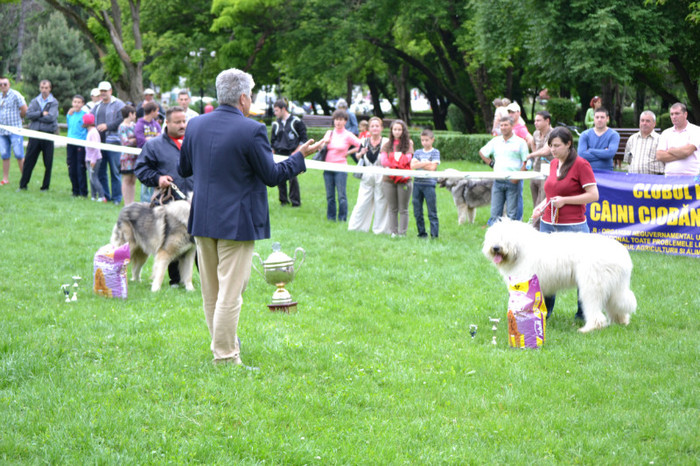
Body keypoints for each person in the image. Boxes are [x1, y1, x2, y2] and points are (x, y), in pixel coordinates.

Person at [178, 68, 321, 365]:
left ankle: (223, 345)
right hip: (236, 222)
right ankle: (226, 356)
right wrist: (300, 156)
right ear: (243, 98)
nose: (252, 98)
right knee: (230, 293)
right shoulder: (251, 129)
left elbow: (184, 169)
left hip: (203, 219)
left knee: (213, 292)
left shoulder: (195, 125)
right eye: (252, 93)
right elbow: (272, 176)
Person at [532, 126, 598, 321]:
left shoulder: (581, 164)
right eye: (550, 145)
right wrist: (542, 206)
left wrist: (566, 201)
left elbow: (593, 195)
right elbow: (551, 194)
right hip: (548, 225)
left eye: (557, 146)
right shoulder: (553, 164)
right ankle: (545, 311)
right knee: (546, 270)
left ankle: (583, 312)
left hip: (573, 226)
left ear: (569, 144)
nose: (553, 149)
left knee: (581, 271)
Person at [135, 106, 192, 287]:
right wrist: (158, 178)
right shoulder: (153, 145)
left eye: (184, 121)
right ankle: (175, 280)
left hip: (195, 202)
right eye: (177, 122)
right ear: (166, 122)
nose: (182, 125)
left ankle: (197, 279)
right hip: (170, 204)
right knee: (173, 242)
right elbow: (141, 169)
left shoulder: (194, 142)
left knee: (198, 244)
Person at [479, 116, 529, 225]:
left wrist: (517, 178)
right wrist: (492, 164)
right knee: (495, 213)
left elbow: (527, 162)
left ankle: (511, 239)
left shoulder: (520, 142)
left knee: (512, 215)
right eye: (501, 125)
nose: (503, 127)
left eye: (506, 125)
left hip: (513, 181)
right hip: (498, 181)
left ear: (512, 126)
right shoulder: (495, 141)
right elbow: (482, 152)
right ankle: (494, 239)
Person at [348, 116, 390, 234]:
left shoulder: (386, 142)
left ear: (381, 128)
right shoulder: (364, 141)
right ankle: (357, 228)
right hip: (367, 174)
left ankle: (380, 230)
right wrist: (360, 153)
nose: (375, 128)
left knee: (381, 202)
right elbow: (357, 156)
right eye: (372, 126)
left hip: (381, 173)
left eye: (377, 126)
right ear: (369, 128)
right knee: (362, 201)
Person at [319, 109, 361, 221]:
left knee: (341, 196)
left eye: (340, 120)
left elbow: (361, 145)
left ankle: (342, 218)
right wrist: (325, 142)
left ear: (345, 121)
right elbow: (320, 147)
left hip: (341, 167)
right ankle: (331, 218)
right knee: (330, 195)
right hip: (328, 167)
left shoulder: (348, 135)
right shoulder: (329, 133)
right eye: (336, 119)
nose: (338, 122)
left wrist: (348, 153)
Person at [19, 80, 58, 191]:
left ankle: (45, 187)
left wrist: (36, 117)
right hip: (34, 134)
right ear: (39, 88)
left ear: (50, 88)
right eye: (42, 87)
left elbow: (51, 117)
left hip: (48, 135)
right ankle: (23, 185)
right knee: (29, 161)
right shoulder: (35, 101)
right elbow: (28, 114)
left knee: (48, 162)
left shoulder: (53, 102)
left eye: (46, 88)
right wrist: (41, 113)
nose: (44, 90)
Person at [91, 81, 125, 204]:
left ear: (111, 91)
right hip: (99, 143)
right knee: (101, 171)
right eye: (101, 91)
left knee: (115, 172)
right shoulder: (97, 105)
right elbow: (89, 117)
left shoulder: (119, 104)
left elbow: (122, 119)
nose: (103, 93)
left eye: (105, 91)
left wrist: (108, 126)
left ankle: (117, 198)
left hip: (114, 142)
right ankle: (106, 196)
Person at [270, 99, 307, 207]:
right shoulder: (276, 124)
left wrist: (296, 153)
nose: (275, 113)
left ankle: (295, 202)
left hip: (292, 153)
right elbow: (273, 142)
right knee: (279, 178)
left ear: (283, 109)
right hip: (279, 154)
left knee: (293, 179)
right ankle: (283, 201)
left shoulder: (296, 121)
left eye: (277, 110)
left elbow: (303, 139)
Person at [380, 119, 414, 236]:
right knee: (392, 208)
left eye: (400, 129)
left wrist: (393, 163)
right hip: (388, 180)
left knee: (403, 209)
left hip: (404, 180)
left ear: (403, 131)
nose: (397, 132)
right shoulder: (386, 145)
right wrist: (397, 163)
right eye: (395, 129)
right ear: (391, 130)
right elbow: (384, 161)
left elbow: (408, 159)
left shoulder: (408, 144)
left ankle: (402, 233)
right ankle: (393, 232)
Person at [525, 110, 553, 229]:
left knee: (542, 198)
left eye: (538, 120)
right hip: (536, 168)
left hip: (548, 169)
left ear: (547, 121)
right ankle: (536, 222)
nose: (535, 123)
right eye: (535, 120)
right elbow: (532, 143)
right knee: (534, 193)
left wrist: (532, 155)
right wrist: (535, 153)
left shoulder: (553, 133)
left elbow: (546, 151)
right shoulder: (536, 133)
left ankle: (536, 226)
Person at [411, 129, 441, 239]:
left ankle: (434, 235)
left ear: (432, 140)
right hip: (417, 183)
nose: (424, 142)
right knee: (417, 211)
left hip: (429, 184)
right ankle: (421, 233)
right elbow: (413, 166)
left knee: (432, 211)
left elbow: (433, 168)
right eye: (422, 140)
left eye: (427, 140)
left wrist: (420, 164)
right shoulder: (418, 152)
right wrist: (426, 163)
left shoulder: (435, 152)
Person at [656, 102, 700, 176]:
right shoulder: (666, 133)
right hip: (669, 178)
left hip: (690, 178)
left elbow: (687, 151)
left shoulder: (696, 130)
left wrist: (670, 150)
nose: (674, 116)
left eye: (677, 113)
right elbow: (659, 156)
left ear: (685, 114)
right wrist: (681, 154)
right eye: (672, 114)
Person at [0, 76, 27, 186]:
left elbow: (24, 109)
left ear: (9, 85)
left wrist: (21, 118)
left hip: (15, 130)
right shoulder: (0, 97)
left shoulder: (16, 95)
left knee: (19, 154)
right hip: (2, 132)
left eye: (5, 84)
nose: (2, 86)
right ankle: (5, 179)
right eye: (0, 84)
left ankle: (24, 179)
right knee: (4, 154)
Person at [577, 107, 620, 171]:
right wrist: (604, 153)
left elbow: (610, 153)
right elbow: (581, 155)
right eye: (597, 117)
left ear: (607, 119)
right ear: (594, 119)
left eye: (602, 117)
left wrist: (590, 150)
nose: (599, 120)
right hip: (586, 171)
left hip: (606, 172)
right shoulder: (585, 134)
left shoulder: (614, 135)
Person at [624, 110, 663, 175]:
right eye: (642, 120)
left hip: (654, 179)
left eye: (648, 121)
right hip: (633, 179)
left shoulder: (660, 139)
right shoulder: (632, 139)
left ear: (654, 124)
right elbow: (628, 160)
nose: (644, 123)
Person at [66, 94, 88, 197]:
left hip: (81, 144)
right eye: (75, 102)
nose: (76, 104)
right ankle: (75, 191)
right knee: (71, 167)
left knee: (80, 168)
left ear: (82, 104)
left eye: (79, 102)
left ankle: (83, 192)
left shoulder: (85, 115)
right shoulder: (70, 114)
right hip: (70, 143)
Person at [83, 113, 107, 202]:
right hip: (89, 159)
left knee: (94, 178)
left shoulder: (93, 132)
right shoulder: (90, 132)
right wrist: (87, 160)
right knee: (91, 178)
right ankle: (93, 196)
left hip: (95, 159)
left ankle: (102, 196)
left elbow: (96, 148)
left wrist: (93, 160)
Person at [118, 105, 138, 205]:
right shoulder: (122, 126)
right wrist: (135, 140)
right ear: (130, 114)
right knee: (126, 179)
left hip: (135, 156)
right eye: (134, 113)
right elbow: (125, 142)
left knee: (133, 180)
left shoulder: (134, 125)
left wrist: (134, 140)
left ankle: (132, 202)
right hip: (126, 157)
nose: (135, 116)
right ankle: (127, 203)